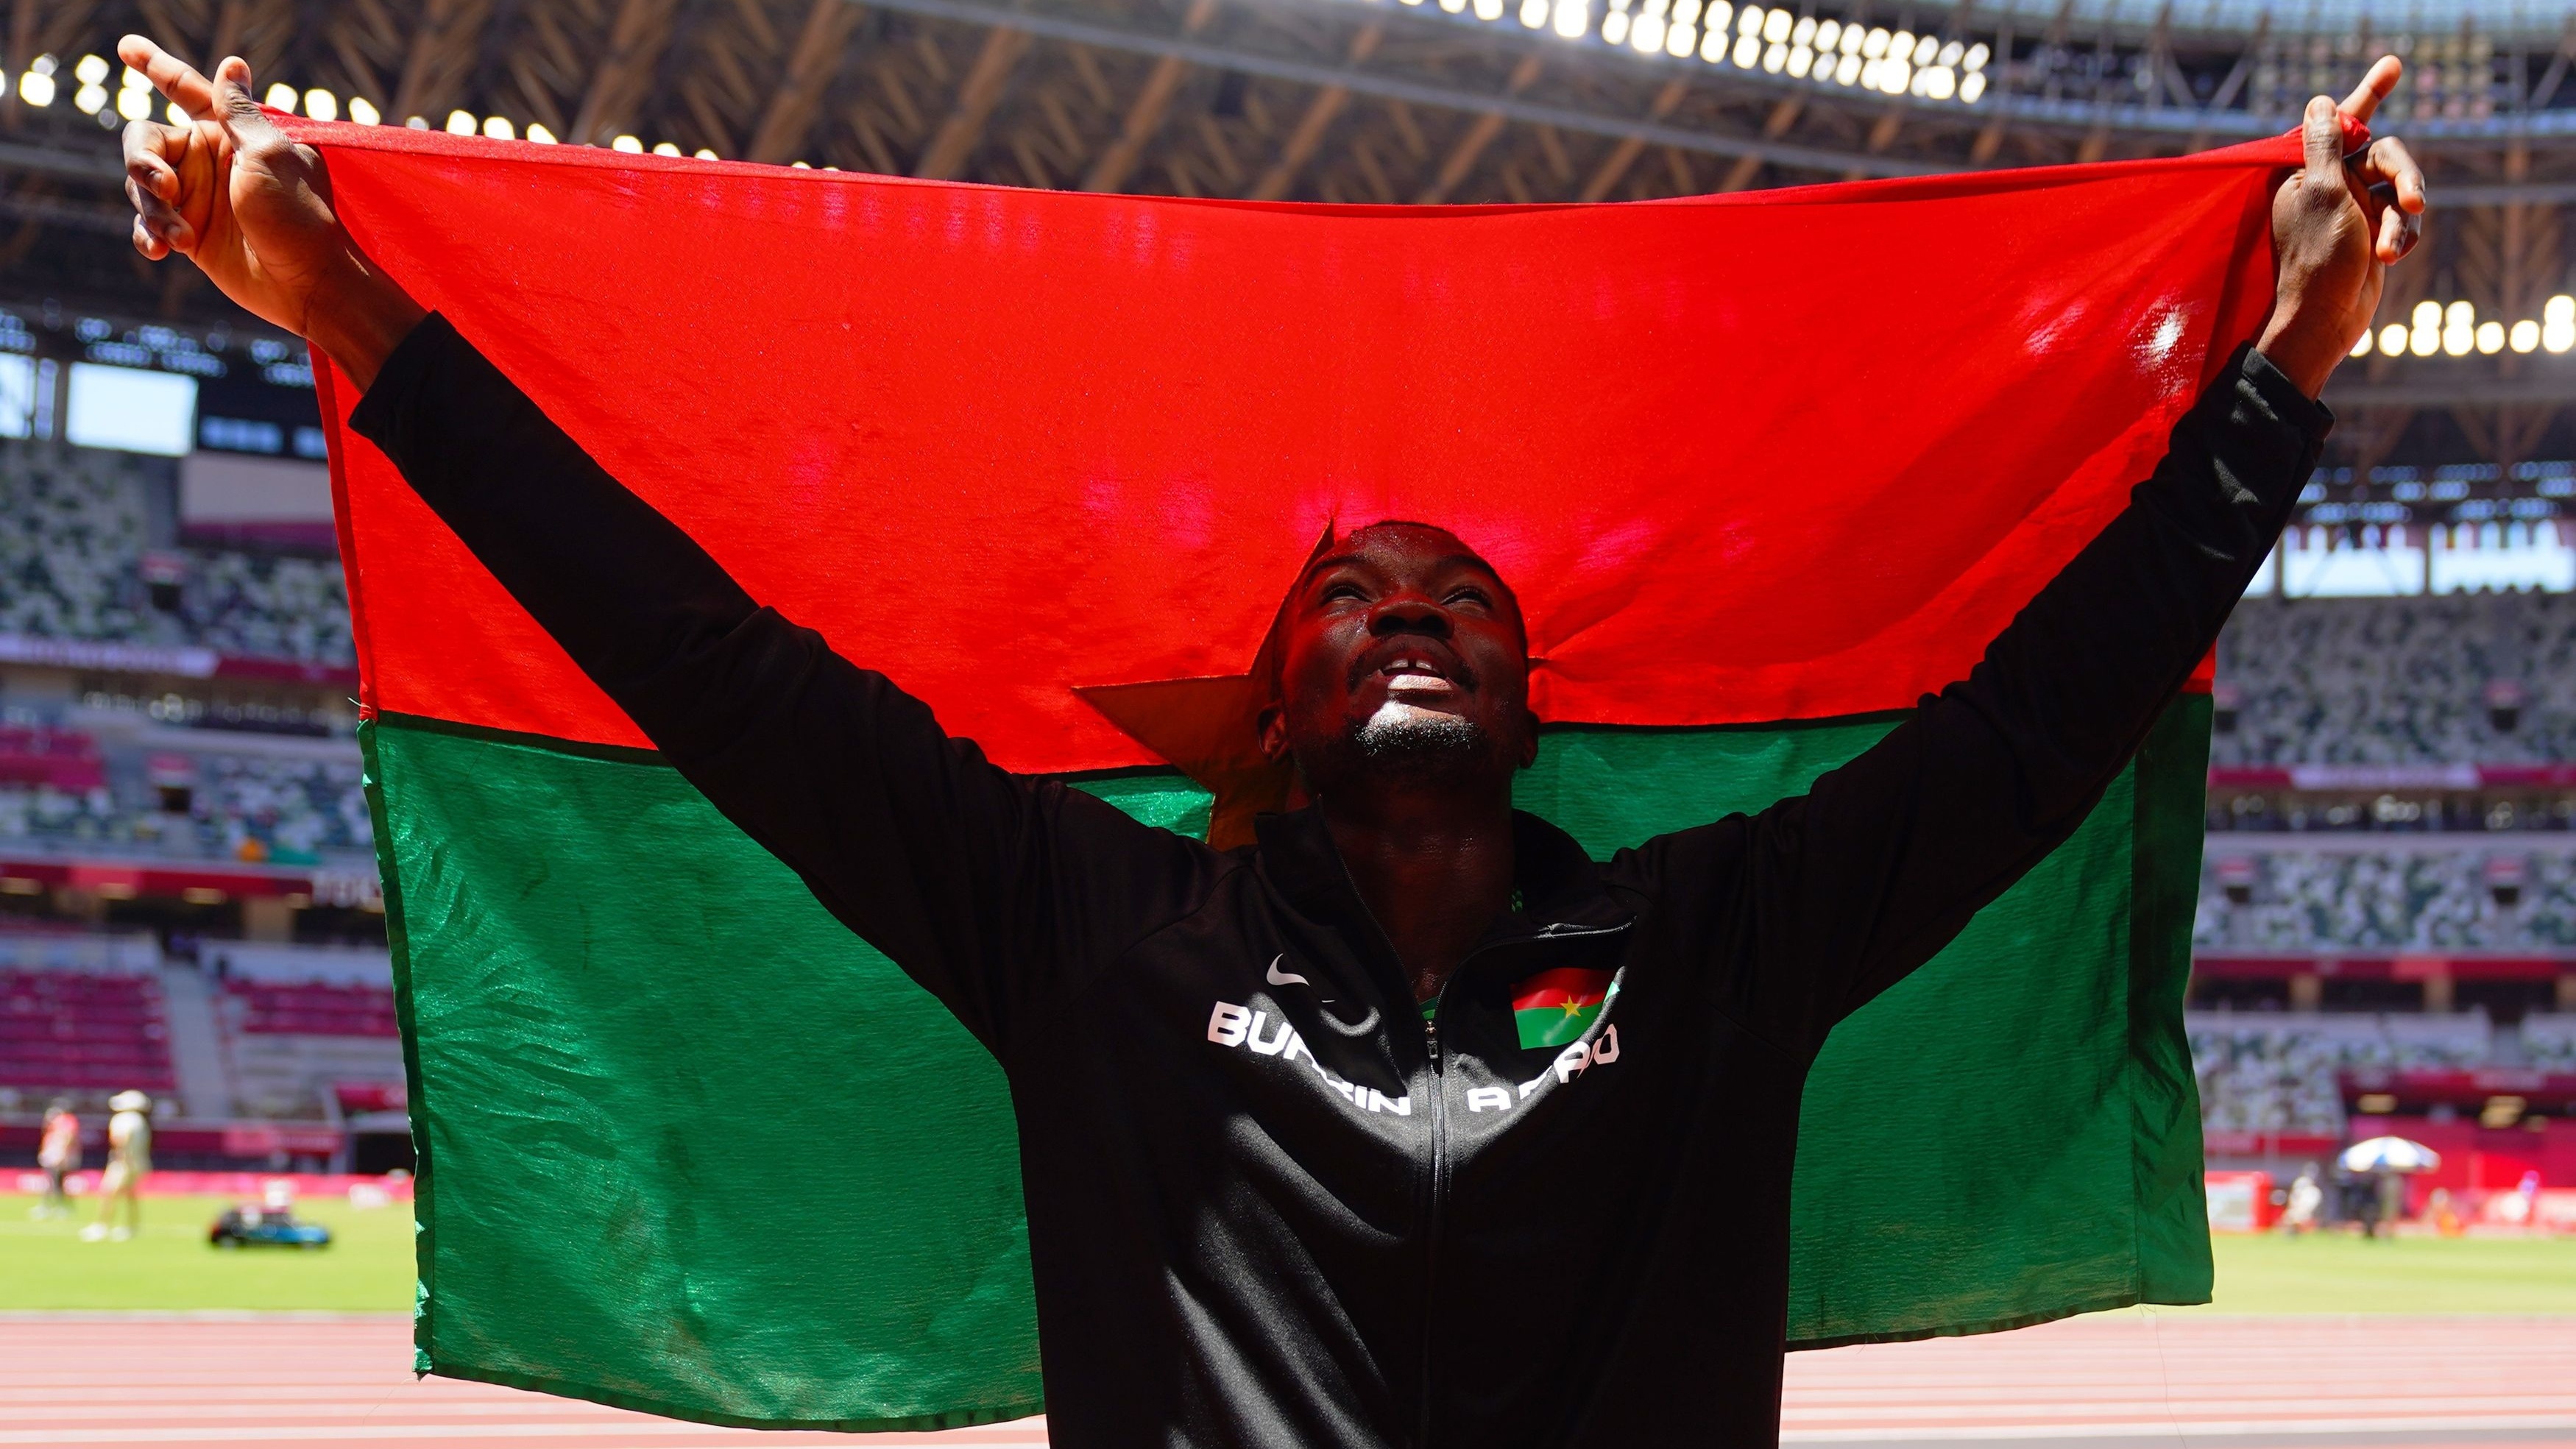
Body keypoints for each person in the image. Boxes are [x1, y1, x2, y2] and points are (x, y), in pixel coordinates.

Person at [118, 35, 2425, 1448]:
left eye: (1457, 601)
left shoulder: (1718, 935)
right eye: (1351, 597)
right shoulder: (1086, 929)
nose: (1409, 608)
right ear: (1278, 711)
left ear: (1530, 707)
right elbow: (712, 668)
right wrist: (348, 310)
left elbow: (2039, 722)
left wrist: (2284, 368)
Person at [79, 1089, 152, 1242]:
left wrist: (119, 1157)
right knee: (129, 1194)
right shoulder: (141, 1121)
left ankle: (102, 1226)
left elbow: (121, 1138)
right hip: (138, 1162)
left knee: (108, 1193)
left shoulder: (122, 1119)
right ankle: (131, 1226)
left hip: (123, 1162)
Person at [33, 1098, 79, 1219]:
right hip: (53, 1153)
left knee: (55, 1180)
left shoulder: (68, 1120)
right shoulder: (57, 1121)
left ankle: (56, 1206)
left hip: (59, 1154)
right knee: (53, 1180)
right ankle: (55, 1206)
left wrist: (63, 1153)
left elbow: (69, 1137)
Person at [2279, 1164, 2323, 1236]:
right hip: (2297, 1209)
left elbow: (2312, 1206)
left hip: (2307, 1212)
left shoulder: (2314, 1191)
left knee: (2302, 1219)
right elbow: (2294, 1197)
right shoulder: (2301, 1182)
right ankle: (2290, 1232)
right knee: (2289, 1218)